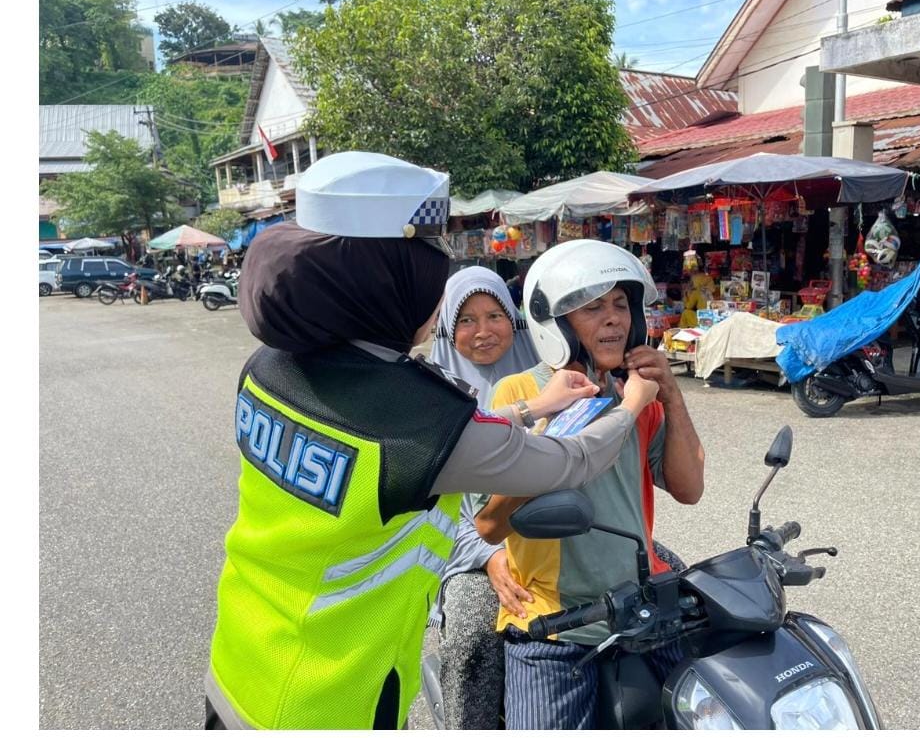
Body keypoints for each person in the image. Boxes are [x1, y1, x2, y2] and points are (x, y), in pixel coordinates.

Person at [203, 152, 661, 730]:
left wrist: (534, 407)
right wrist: (632, 404)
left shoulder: (267, 369)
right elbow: (571, 462)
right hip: (330, 695)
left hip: (241, 661)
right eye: (428, 273)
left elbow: (447, 444)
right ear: (386, 285)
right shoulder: (420, 417)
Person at [472, 238, 706, 730]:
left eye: (621, 304)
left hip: (640, 608)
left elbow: (689, 488)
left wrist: (671, 395)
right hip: (551, 626)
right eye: (593, 308)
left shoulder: (639, 394)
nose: (614, 319)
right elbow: (488, 524)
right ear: (556, 324)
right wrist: (555, 419)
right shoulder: (520, 394)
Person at [427, 266, 539, 729]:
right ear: (448, 329)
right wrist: (490, 555)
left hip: (558, 536)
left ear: (514, 320)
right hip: (472, 551)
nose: (483, 331)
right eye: (466, 321)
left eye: (494, 315)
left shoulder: (550, 376)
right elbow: (431, 510)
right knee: (474, 633)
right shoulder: (430, 394)